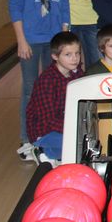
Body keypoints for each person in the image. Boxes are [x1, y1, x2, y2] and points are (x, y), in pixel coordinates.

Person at [10, 0, 79, 159]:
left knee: (57, 88)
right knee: (30, 89)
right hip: (30, 39)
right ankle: (27, 139)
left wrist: (65, 36)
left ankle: (51, 133)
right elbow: (15, 6)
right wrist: (21, 40)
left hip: (54, 40)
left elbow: (65, 6)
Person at [25, 31, 85, 165]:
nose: (75, 58)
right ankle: (42, 149)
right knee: (79, 144)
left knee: (89, 142)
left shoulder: (77, 73)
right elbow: (48, 120)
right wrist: (76, 129)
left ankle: (54, 153)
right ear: (55, 56)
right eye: (68, 55)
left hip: (66, 126)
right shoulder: (47, 81)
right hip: (44, 132)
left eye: (77, 53)